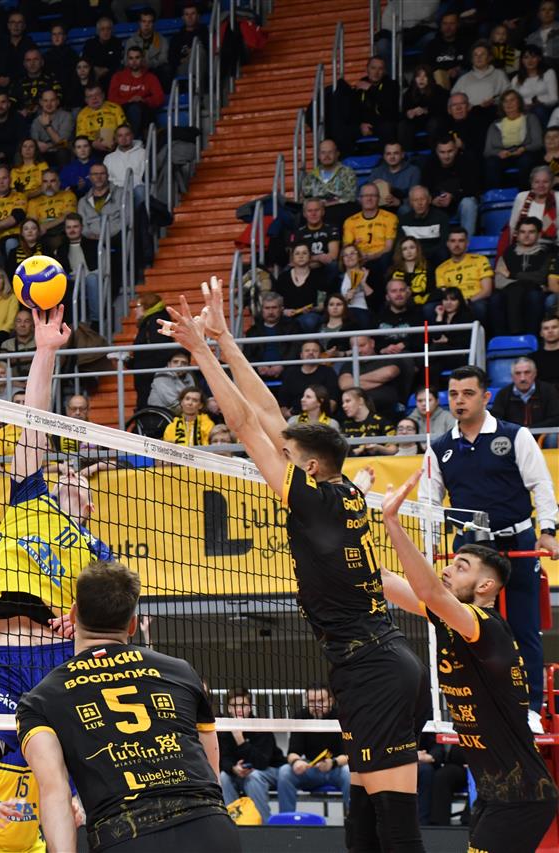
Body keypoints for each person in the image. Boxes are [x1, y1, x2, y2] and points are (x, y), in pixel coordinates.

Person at [160, 279, 429, 851]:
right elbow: (266, 412)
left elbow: (244, 425)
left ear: (308, 468)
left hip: (374, 667)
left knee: (396, 828)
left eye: (287, 455)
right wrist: (227, 341)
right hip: (366, 665)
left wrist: (201, 352)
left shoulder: (314, 501)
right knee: (362, 822)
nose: (276, 454)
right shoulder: (344, 492)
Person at [0, 306, 114, 852]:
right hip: (10, 664)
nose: (71, 475)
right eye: (66, 471)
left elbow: (117, 617)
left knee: (68, 788)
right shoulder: (28, 499)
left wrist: (81, 616)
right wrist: (45, 350)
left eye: (81, 479)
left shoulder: (97, 553)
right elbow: (34, 418)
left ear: (91, 504)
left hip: (61, 672)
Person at [380, 472, 559, 852]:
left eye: (461, 567)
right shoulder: (454, 621)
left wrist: (392, 522)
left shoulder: (485, 626)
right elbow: (386, 582)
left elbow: (429, 591)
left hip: (521, 796)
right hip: (497, 793)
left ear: (485, 587)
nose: (447, 569)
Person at [16, 561, 237, 852]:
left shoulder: (40, 700)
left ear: (72, 614)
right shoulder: (182, 671)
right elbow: (211, 768)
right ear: (133, 624)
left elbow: (55, 794)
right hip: (210, 829)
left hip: (127, 836)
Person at [421, 365, 559, 715]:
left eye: (468, 394)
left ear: (486, 396)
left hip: (517, 542)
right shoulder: (438, 448)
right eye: (454, 394)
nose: (460, 401)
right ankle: (476, 704)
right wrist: (429, 546)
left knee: (525, 628)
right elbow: (428, 504)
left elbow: (541, 485)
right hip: (470, 549)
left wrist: (547, 531)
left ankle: (531, 708)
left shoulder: (515, 436)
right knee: (467, 628)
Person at [277, 685, 351, 814]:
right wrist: (296, 762)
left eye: (321, 701)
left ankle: (356, 820)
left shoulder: (342, 716)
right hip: (310, 769)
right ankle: (287, 820)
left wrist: (333, 763)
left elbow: (350, 755)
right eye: (311, 702)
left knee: (349, 772)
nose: (316, 705)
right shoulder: (300, 717)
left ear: (330, 701)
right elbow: (292, 753)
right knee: (285, 772)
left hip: (336, 768)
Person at [217, 687, 282, 822]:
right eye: (234, 706)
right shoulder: (224, 728)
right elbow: (223, 758)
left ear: (250, 707)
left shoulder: (261, 727)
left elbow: (262, 763)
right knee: (224, 776)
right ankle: (233, 823)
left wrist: (240, 741)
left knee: (253, 776)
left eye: (243, 705)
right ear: (229, 709)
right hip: (240, 773)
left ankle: (263, 824)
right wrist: (233, 768)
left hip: (269, 771)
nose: (239, 710)